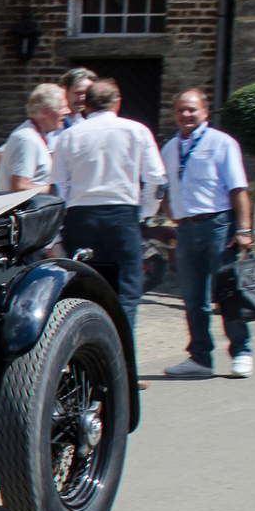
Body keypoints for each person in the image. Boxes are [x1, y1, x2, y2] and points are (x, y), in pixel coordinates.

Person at [51, 78, 165, 328]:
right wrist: (144, 213)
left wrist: (63, 223)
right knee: (126, 290)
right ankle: (122, 348)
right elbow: (156, 179)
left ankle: (87, 343)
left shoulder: (68, 136)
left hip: (81, 219)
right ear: (117, 102)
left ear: (86, 105)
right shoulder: (137, 131)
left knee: (85, 288)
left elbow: (59, 186)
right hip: (122, 216)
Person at [158, 89, 255, 378]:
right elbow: (163, 186)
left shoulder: (221, 143)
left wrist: (244, 229)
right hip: (186, 229)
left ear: (205, 112)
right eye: (180, 110)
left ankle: (241, 351)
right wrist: (169, 210)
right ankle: (200, 358)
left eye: (192, 109)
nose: (186, 115)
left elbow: (238, 188)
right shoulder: (169, 149)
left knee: (228, 292)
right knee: (192, 298)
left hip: (218, 225)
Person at [0, 83, 67, 192]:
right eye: (61, 107)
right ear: (45, 111)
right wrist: (56, 190)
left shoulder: (36, 136)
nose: (67, 111)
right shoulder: (27, 139)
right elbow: (19, 187)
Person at [57, 67, 96, 132]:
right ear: (65, 91)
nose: (83, 98)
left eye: (87, 94)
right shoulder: (54, 122)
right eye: (78, 93)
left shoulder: (83, 122)